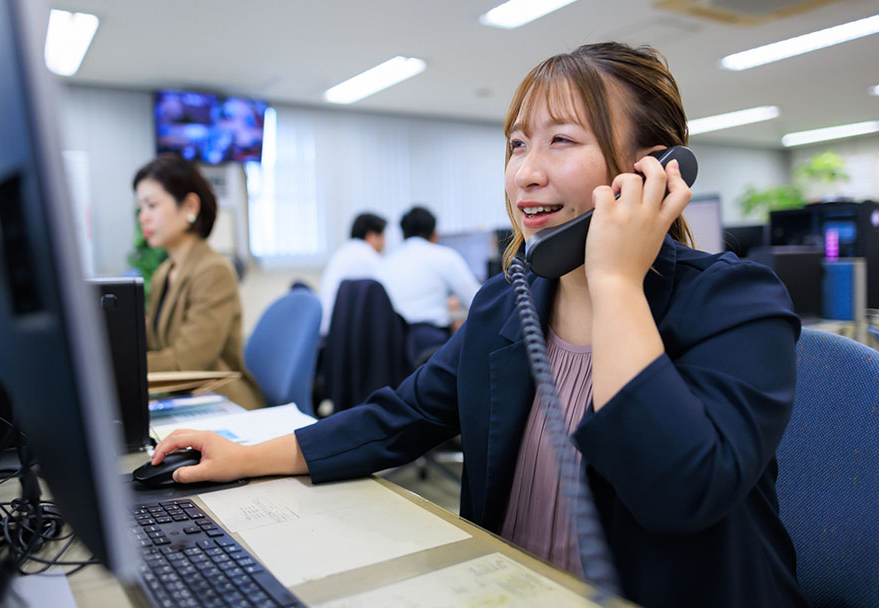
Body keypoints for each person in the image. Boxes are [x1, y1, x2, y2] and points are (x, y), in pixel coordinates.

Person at [149, 42, 806, 607]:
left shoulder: (737, 303)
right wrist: (244, 456)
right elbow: (400, 418)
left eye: (561, 140)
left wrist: (615, 283)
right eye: (517, 144)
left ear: (653, 173)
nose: (525, 171)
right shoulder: (507, 303)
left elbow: (678, 490)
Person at [134, 154, 264, 410]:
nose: (143, 217)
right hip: (184, 399)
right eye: (141, 207)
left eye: (151, 205)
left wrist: (124, 365)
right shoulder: (165, 272)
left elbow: (188, 360)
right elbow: (149, 337)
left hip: (223, 403)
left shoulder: (214, 271)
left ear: (190, 207)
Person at [377, 206, 481, 358]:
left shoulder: (386, 261)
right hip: (429, 343)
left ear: (403, 234)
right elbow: (477, 301)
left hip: (391, 345)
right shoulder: (445, 256)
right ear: (434, 234)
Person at [318, 213, 387, 336]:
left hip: (330, 330)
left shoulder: (343, 252)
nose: (385, 242)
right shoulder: (367, 256)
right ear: (371, 236)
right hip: (343, 331)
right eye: (382, 236)